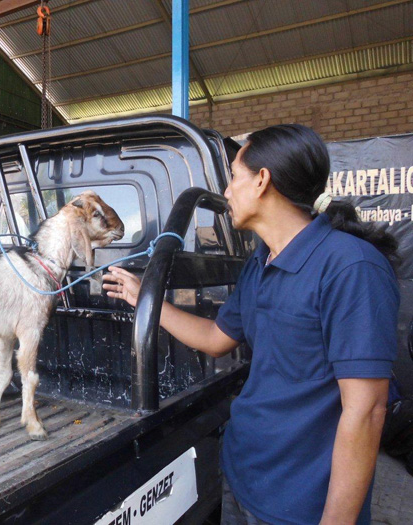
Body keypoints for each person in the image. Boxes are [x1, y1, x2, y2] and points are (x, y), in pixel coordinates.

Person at [102, 124, 400, 525]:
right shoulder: (261, 263)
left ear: (262, 181)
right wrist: (147, 299)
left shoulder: (350, 267)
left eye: (234, 178)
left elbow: (366, 411)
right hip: (243, 477)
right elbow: (214, 339)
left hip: (300, 504)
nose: (226, 192)